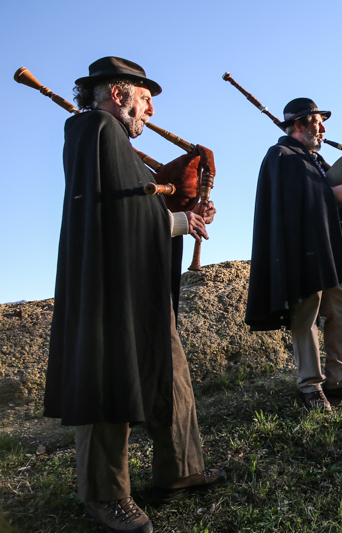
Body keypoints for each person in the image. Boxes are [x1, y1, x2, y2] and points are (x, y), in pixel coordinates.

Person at [44, 57, 225, 533]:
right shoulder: (94, 130)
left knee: (169, 368)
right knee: (108, 380)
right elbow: (110, 216)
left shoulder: (113, 139)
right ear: (118, 93)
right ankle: (105, 495)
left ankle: (180, 470)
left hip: (138, 283)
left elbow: (134, 204)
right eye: (145, 98)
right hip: (106, 293)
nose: (149, 110)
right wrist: (175, 221)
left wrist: (182, 209)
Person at [245, 98, 342, 411]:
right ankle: (311, 386)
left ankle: (339, 380)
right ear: (299, 124)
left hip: (328, 252)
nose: (324, 129)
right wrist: (332, 195)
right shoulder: (280, 155)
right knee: (305, 317)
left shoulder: (313, 160)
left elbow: (323, 195)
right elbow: (291, 204)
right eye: (317, 122)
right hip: (300, 255)